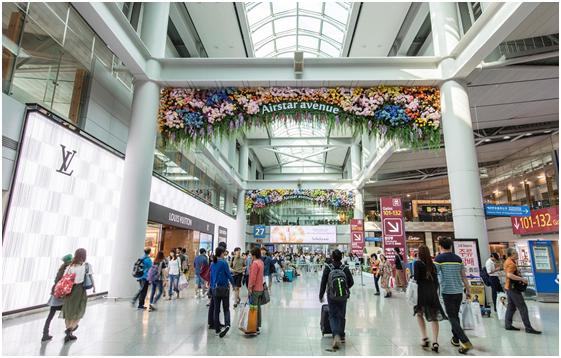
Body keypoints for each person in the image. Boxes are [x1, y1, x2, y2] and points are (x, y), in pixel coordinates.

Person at [434, 237, 473, 354]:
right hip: (458, 292)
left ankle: (465, 342)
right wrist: (468, 290)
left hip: (447, 292)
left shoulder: (439, 259)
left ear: (440, 246)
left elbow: (434, 276)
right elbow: (464, 276)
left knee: (451, 317)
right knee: (455, 316)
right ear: (451, 246)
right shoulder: (458, 259)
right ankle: (456, 339)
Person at [414, 245, 447, 353]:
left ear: (419, 253)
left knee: (419, 314)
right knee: (434, 317)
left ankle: (424, 337)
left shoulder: (417, 263)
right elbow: (436, 281)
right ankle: (435, 341)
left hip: (421, 292)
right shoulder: (432, 264)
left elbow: (417, 279)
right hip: (432, 292)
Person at [319, 249, 354, 350]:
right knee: (342, 315)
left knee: (333, 315)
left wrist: (321, 295)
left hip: (331, 296)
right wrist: (344, 288)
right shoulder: (345, 268)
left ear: (332, 257)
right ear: (341, 257)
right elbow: (351, 282)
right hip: (343, 296)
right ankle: (342, 335)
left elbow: (323, 283)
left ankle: (335, 335)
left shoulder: (328, 268)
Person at [503, 247, 541, 334]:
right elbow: (509, 275)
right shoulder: (511, 263)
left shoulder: (508, 261)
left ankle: (508, 324)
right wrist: (522, 279)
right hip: (513, 288)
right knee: (522, 308)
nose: (517, 254)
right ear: (512, 255)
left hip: (508, 287)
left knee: (511, 307)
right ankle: (528, 328)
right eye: (515, 253)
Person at [61, 248, 91, 343]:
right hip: (80, 290)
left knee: (68, 311)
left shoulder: (70, 266)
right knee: (79, 310)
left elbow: (64, 278)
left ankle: (69, 331)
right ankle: (70, 329)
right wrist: (94, 287)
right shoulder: (86, 266)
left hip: (69, 290)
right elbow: (90, 277)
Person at [42, 254, 73, 342]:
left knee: (50, 315)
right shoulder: (68, 270)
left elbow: (56, 281)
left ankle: (45, 334)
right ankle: (69, 332)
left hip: (55, 294)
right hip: (62, 296)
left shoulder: (61, 269)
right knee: (69, 315)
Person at [210, 246, 235, 338]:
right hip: (224, 288)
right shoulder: (224, 263)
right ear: (221, 253)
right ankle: (227, 324)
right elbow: (229, 275)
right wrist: (234, 285)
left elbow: (211, 276)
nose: (225, 254)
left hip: (215, 289)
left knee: (216, 309)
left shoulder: (213, 263)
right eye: (224, 252)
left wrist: (211, 287)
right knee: (226, 308)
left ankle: (217, 328)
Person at [248, 247, 265, 333]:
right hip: (260, 288)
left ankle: (253, 326)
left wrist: (250, 287)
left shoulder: (255, 263)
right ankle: (257, 325)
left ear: (254, 255)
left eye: (251, 255)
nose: (250, 256)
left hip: (255, 289)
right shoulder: (261, 262)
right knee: (258, 308)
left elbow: (252, 277)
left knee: (253, 308)